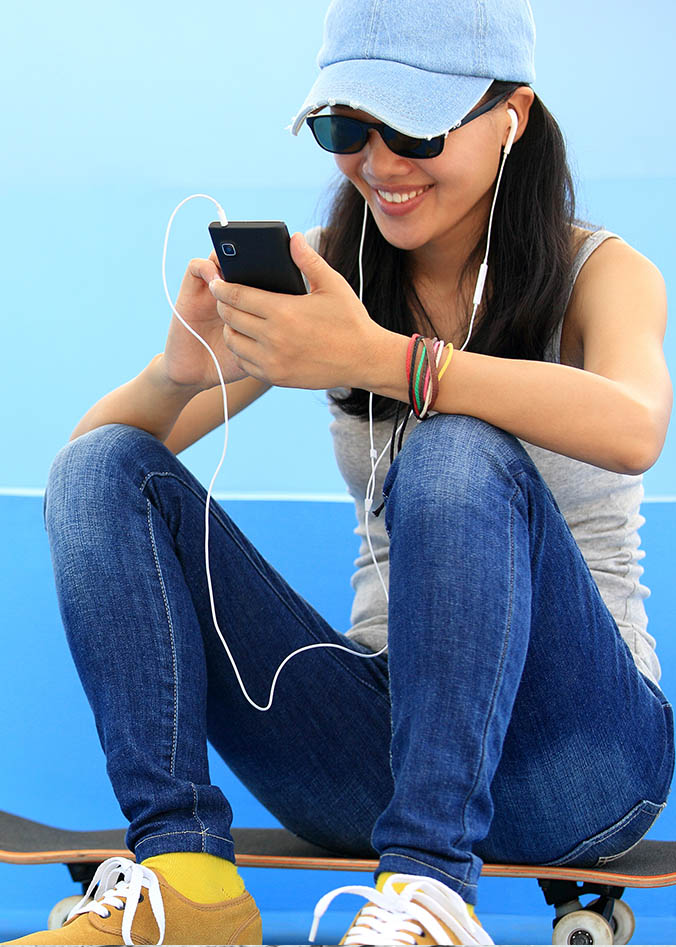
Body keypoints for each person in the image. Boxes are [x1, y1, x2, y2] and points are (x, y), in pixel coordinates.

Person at [6, 0, 675, 943]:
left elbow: (637, 425)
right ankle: (187, 879)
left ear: (512, 116)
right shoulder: (330, 277)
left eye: (415, 126)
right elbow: (89, 473)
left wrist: (387, 359)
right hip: (377, 755)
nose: (381, 163)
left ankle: (430, 893)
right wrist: (176, 374)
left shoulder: (598, 272)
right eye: (347, 127)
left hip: (580, 757)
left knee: (451, 445)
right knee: (105, 468)